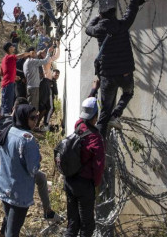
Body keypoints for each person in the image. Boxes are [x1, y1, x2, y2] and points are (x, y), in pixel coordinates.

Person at [85, 0, 146, 139]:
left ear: (102, 14)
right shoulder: (122, 25)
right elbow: (133, 8)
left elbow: (87, 28)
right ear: (114, 13)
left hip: (107, 77)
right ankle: (116, 114)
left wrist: (98, 15)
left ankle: (98, 146)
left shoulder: (97, 30)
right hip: (125, 74)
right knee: (128, 93)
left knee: (103, 114)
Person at [0, 104, 42, 237]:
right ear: (23, 118)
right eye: (32, 118)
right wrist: (37, 159)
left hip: (4, 187)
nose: (36, 121)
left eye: (37, 117)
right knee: (12, 231)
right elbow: (33, 170)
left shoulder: (7, 131)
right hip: (19, 193)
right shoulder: (27, 139)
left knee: (9, 225)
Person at [63, 97, 105, 237]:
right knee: (87, 226)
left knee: (73, 223)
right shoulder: (95, 138)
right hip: (84, 185)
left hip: (69, 180)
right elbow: (99, 165)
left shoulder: (78, 125)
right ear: (96, 116)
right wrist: (96, 184)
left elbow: (87, 110)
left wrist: (93, 91)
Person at [23, 46, 54, 123]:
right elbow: (45, 61)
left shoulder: (28, 61)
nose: (36, 53)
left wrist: (40, 53)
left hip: (32, 86)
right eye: (35, 52)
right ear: (31, 53)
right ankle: (29, 125)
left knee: (33, 107)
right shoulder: (31, 61)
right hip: (33, 88)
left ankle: (30, 124)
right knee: (32, 108)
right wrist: (48, 52)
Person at [0, 42, 31, 116]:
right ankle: (6, 121)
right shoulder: (10, 57)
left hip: (5, 83)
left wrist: (14, 77)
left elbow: (2, 72)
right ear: (9, 48)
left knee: (4, 102)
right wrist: (29, 53)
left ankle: (2, 118)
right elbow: (21, 55)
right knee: (8, 103)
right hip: (9, 83)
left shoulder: (4, 59)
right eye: (12, 46)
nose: (14, 47)